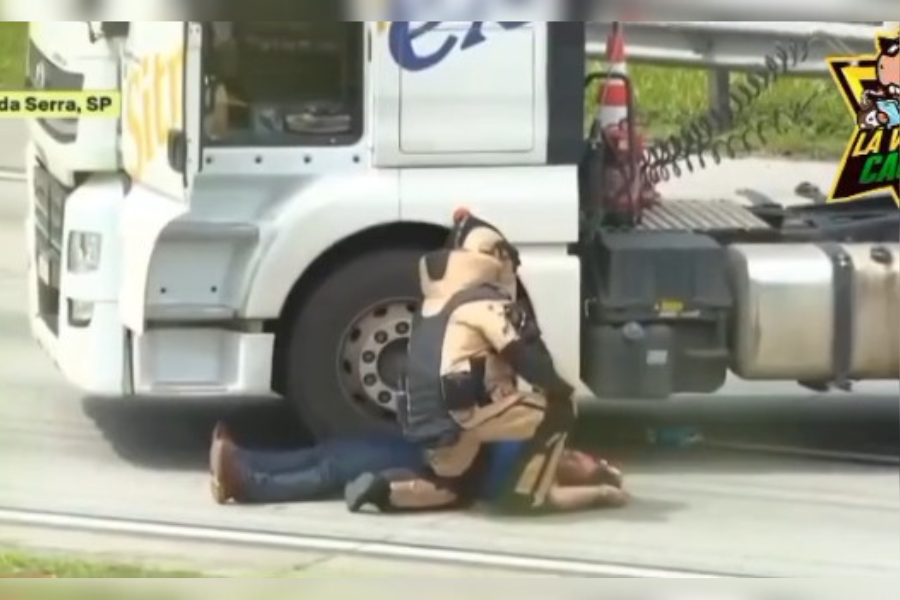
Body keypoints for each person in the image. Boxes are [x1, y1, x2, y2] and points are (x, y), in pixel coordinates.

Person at [345, 210, 612, 515]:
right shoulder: (483, 302)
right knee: (560, 407)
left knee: (455, 488)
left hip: (425, 421)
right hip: (462, 415)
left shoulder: (432, 306)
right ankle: (529, 495)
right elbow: (528, 359)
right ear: (495, 256)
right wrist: (559, 387)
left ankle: (385, 489)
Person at [208, 421, 627, 508]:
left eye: (582, 463)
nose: (575, 456)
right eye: (580, 453)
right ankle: (245, 460)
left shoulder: (536, 487)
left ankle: (247, 482)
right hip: (430, 447)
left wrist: (603, 489)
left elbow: (561, 498)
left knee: (333, 468)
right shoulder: (535, 444)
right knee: (332, 452)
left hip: (431, 466)